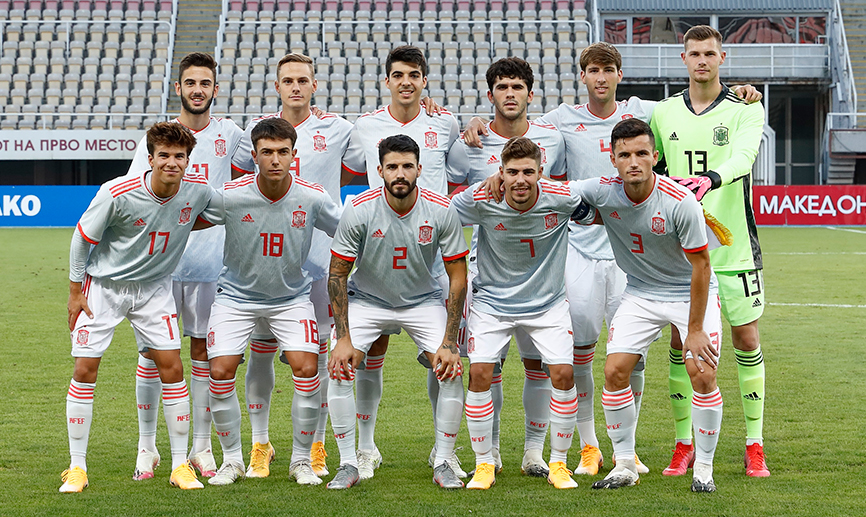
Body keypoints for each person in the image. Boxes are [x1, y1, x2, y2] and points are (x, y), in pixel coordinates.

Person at [464, 42, 761, 477]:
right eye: (592, 70)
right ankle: (588, 447)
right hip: (581, 250)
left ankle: (630, 450)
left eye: (608, 70)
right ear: (582, 76)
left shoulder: (644, 110)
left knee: (631, 359)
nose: (600, 78)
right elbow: (515, 127)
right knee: (582, 353)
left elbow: (696, 97)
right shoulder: (560, 120)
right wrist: (479, 124)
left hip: (631, 260)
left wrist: (736, 91)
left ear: (619, 75)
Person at [570, 118, 723, 493]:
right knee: (615, 371)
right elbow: (553, 191)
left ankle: (704, 467)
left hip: (689, 291)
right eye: (624, 154)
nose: (633, 161)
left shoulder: (680, 202)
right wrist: (501, 181)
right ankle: (625, 464)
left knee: (701, 374)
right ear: (613, 158)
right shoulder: (602, 190)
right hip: (640, 293)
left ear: (655, 156)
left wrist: (695, 329)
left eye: (641, 153)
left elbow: (702, 266)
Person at [61, 122, 212, 492]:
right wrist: (75, 291)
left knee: (172, 367)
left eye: (180, 156)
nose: (172, 163)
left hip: (154, 288)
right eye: (164, 156)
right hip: (105, 287)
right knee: (85, 368)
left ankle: (179, 465)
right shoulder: (117, 192)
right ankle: (76, 467)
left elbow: (217, 214)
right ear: (150, 159)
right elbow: (82, 238)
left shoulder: (197, 193)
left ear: (188, 160)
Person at [649, 25, 769, 478]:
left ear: (722, 57)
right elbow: (650, 162)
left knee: (747, 340)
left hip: (734, 246)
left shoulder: (747, 108)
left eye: (709, 53)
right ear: (683, 59)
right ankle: (685, 444)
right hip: (683, 252)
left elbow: (743, 158)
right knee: (682, 345)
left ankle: (754, 444)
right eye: (694, 53)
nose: (702, 60)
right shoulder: (663, 112)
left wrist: (711, 180)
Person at [229, 52, 355, 479]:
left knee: (317, 358)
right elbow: (243, 184)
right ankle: (261, 444)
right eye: (288, 80)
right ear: (277, 86)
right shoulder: (257, 131)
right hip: (270, 264)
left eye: (304, 80)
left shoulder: (338, 128)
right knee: (261, 353)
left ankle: (314, 447)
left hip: (323, 261)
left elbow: (384, 144)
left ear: (315, 85)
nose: (296, 87)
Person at [196, 117, 341, 486]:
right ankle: (232, 460)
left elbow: (347, 229)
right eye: (266, 153)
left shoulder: (311, 197)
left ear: (294, 154)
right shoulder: (231, 194)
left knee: (307, 368)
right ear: (254, 157)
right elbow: (186, 217)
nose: (275, 159)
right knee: (220, 371)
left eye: (282, 152)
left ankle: (301, 460)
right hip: (235, 298)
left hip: (291, 298)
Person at [341, 45, 463, 479]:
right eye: (398, 74)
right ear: (386, 81)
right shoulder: (364, 127)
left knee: (442, 357)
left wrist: (476, 127)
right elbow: (346, 172)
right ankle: (365, 448)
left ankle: (442, 449)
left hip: (430, 259)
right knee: (369, 354)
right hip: (377, 261)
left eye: (415, 74)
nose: (406, 82)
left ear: (425, 80)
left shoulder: (445, 122)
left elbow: (464, 168)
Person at [326, 134, 468, 489]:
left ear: (420, 169)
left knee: (450, 367)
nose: (400, 173)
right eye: (392, 167)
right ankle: (348, 463)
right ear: (380, 171)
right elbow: (337, 274)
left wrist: (450, 341)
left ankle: (445, 459)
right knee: (340, 365)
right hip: (369, 301)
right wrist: (342, 338)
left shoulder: (440, 208)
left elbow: (457, 278)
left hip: (422, 301)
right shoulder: (359, 208)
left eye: (407, 166)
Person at [126, 52, 244, 481]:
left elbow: (280, 142)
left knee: (202, 354)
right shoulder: (157, 139)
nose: (198, 90)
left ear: (216, 88)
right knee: (153, 356)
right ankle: (146, 448)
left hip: (212, 266)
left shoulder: (231, 134)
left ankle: (199, 446)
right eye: (190, 83)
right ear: (178, 88)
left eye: (205, 83)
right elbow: (135, 195)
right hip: (159, 270)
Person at [446, 56, 566, 477]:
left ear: (530, 94)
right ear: (491, 93)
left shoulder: (553, 136)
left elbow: (562, 192)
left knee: (539, 366)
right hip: (488, 273)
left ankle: (535, 451)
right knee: (487, 367)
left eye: (517, 87)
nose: (510, 94)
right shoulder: (469, 143)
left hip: (541, 273)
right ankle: (489, 450)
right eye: (502, 87)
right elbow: (452, 199)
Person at [451, 136, 582, 491]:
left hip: (547, 304)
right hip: (492, 303)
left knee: (563, 375)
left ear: (542, 172)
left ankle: (556, 462)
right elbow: (441, 212)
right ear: (501, 173)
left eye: (528, 171)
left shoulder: (563, 198)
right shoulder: (482, 198)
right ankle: (483, 464)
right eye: (512, 172)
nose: (520, 179)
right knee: (479, 373)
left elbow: (605, 196)